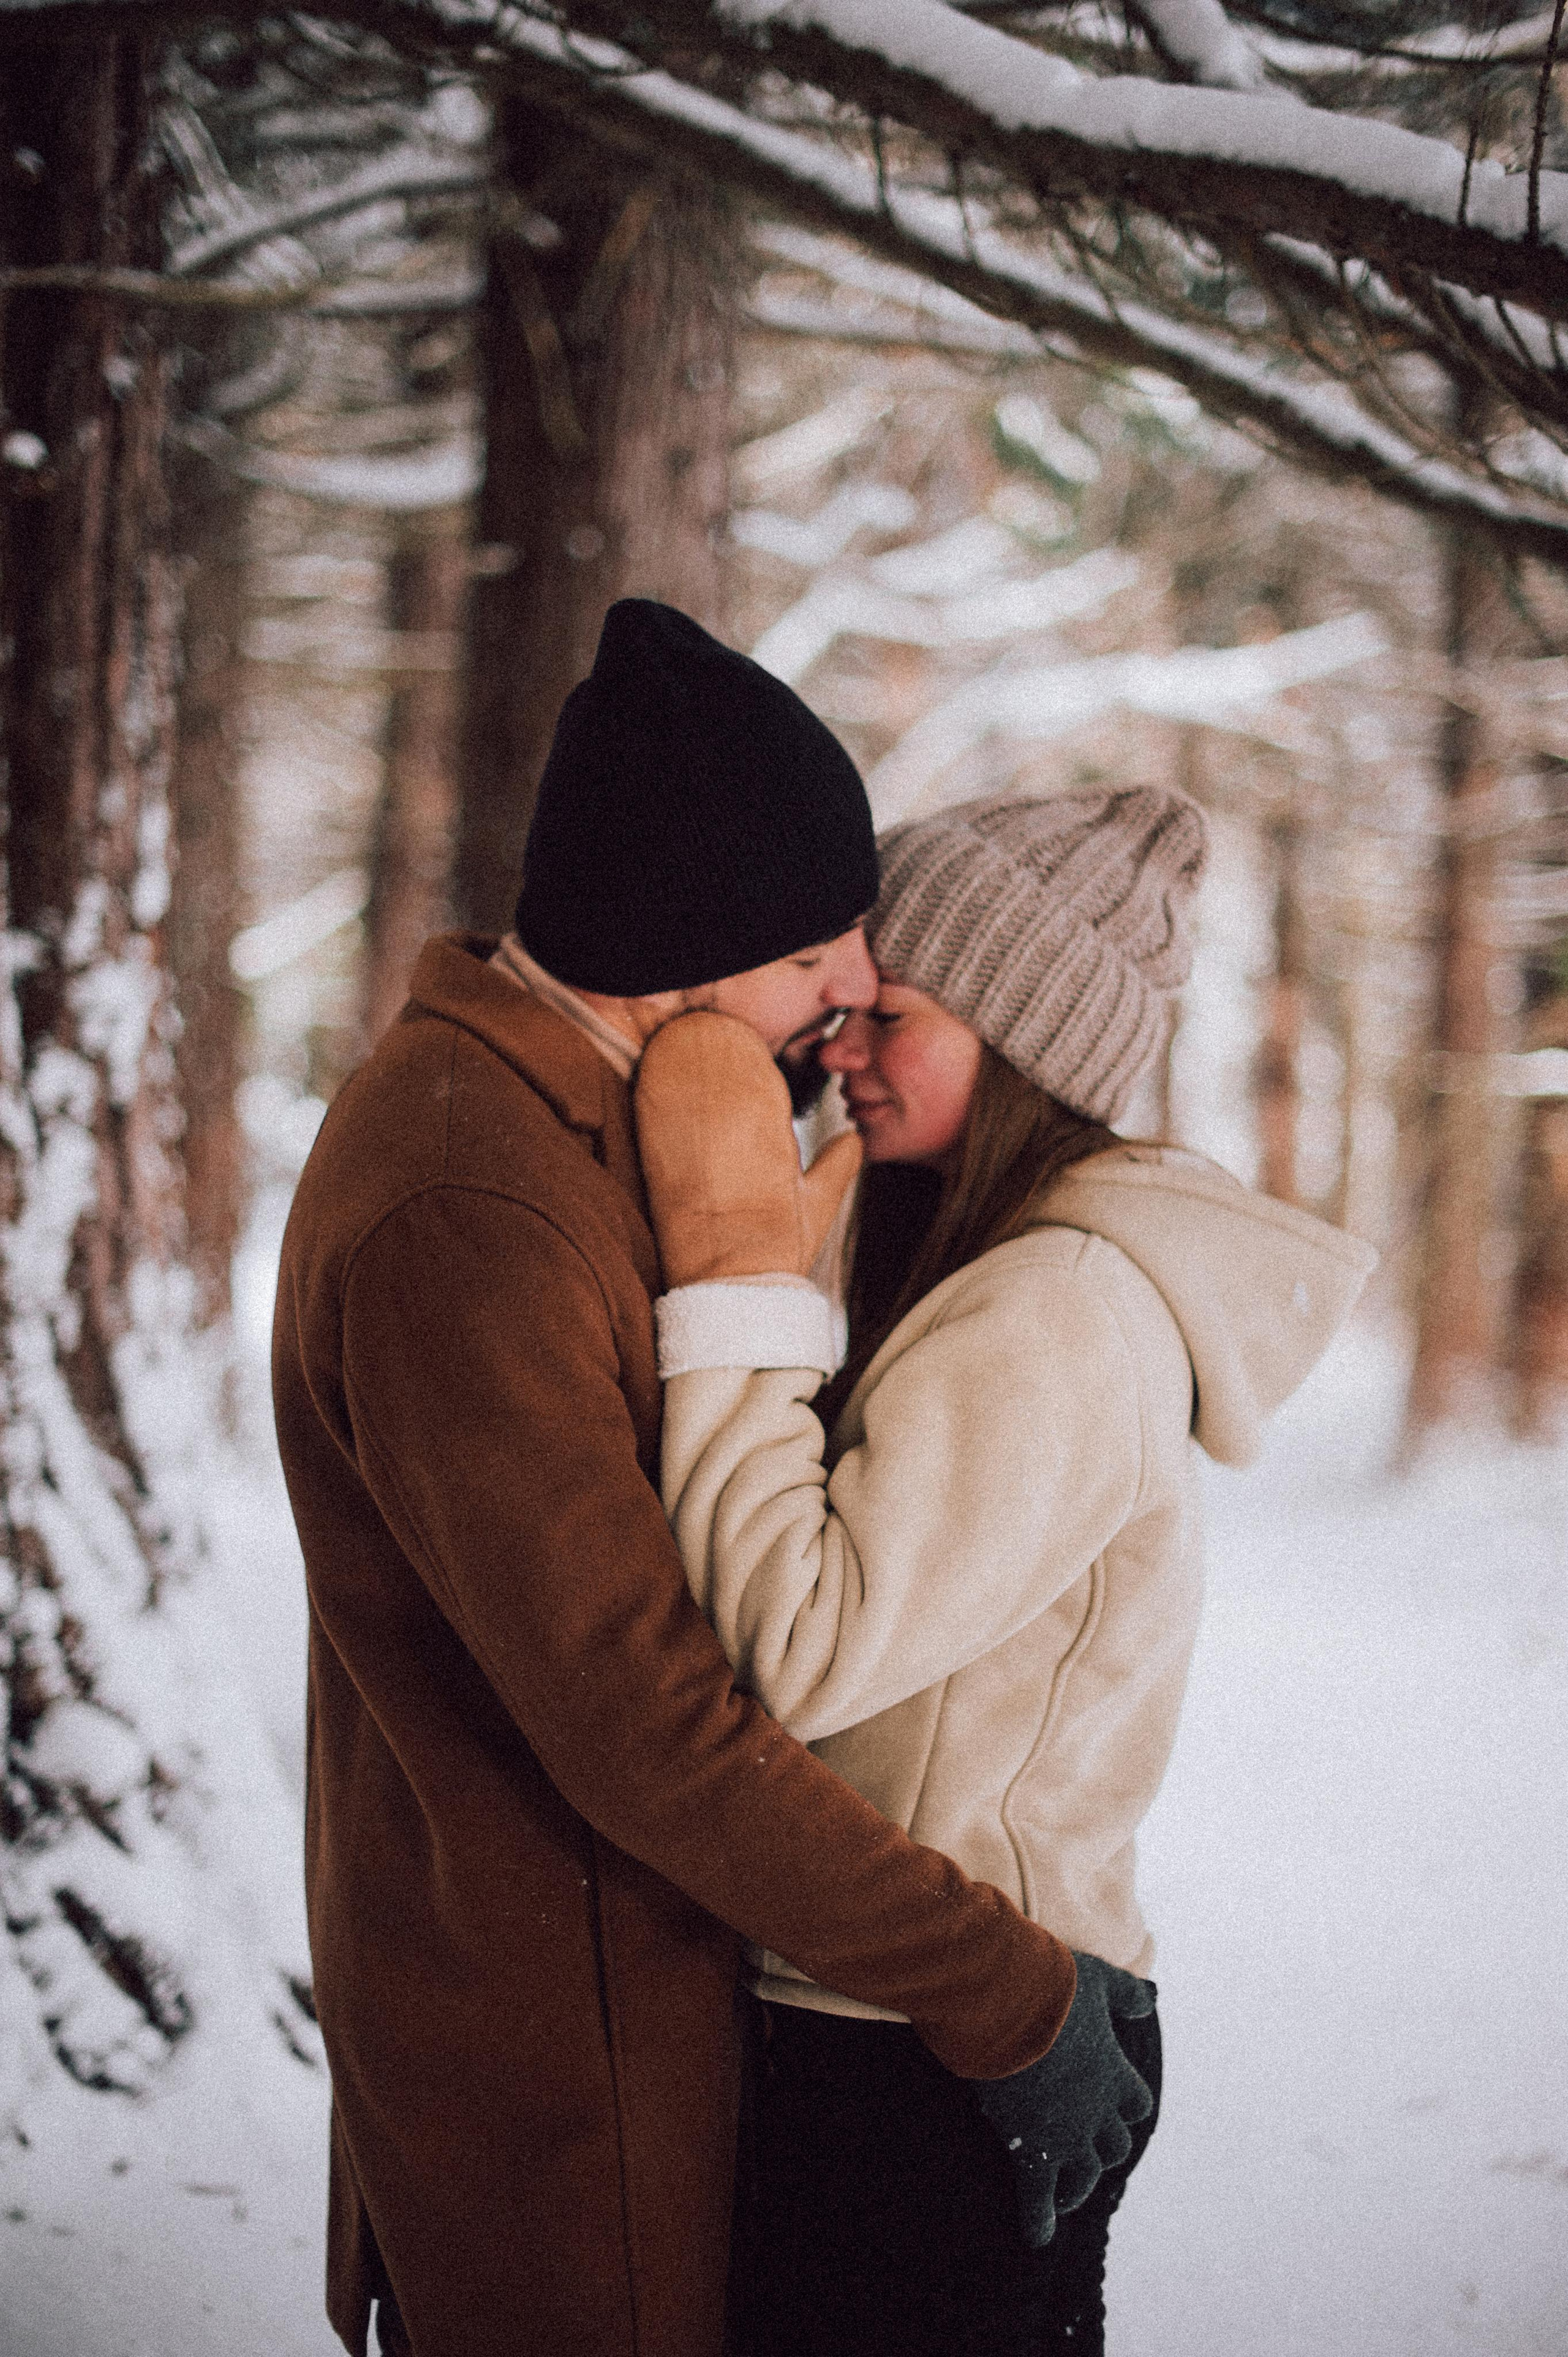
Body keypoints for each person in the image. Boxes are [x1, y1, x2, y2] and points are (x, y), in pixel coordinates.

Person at [272, 604, 1142, 2357]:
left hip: (624, 2039)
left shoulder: (569, 1135)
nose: (852, 988)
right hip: (554, 2096)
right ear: (684, 937)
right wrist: (995, 1983)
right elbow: (644, 1722)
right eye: (819, 946)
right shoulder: (473, 1204)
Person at [632, 784, 1378, 2357]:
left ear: (1021, 1038)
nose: (838, 1043)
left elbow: (798, 1641)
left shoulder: (1054, 1310)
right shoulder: (1005, 1273)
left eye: (890, 1013)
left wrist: (734, 1291)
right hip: (935, 2013)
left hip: (932, 2042)